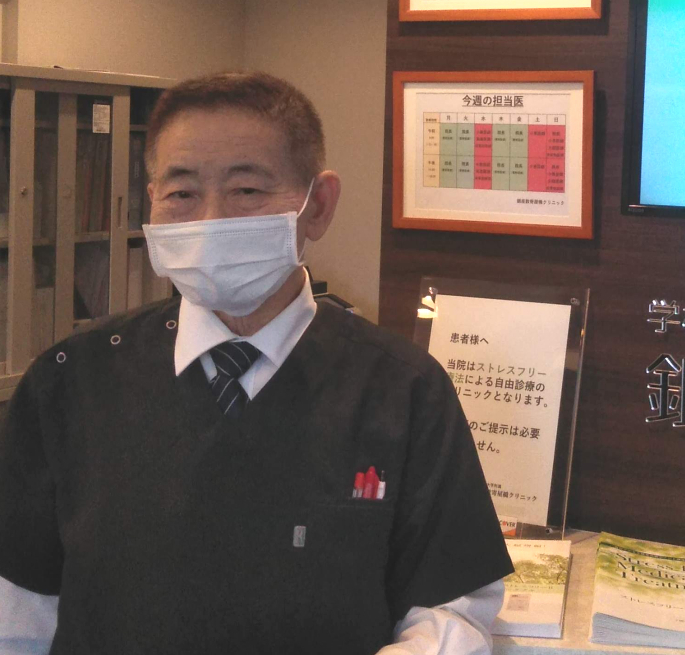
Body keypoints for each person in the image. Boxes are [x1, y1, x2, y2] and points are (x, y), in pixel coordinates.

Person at [0, 71, 513, 654]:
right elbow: (18, 611)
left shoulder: (404, 390)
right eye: (182, 194)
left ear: (318, 206)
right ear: (152, 203)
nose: (211, 218)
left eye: (246, 190)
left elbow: (450, 607)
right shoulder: (70, 383)